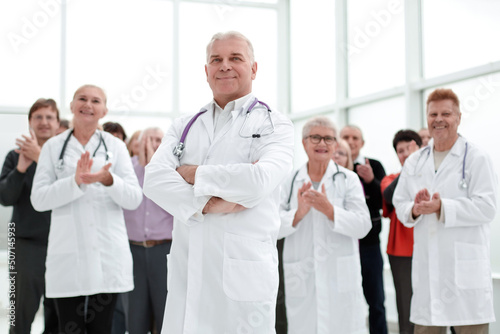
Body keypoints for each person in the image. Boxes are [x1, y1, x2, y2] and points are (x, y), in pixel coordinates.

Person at [143, 31, 294, 334]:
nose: (224, 65)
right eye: (216, 60)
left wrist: (193, 173)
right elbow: (154, 179)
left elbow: (259, 179)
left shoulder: (274, 123)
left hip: (243, 278)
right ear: (206, 71)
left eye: (235, 58)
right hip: (189, 273)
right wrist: (207, 203)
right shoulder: (184, 125)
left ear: (253, 68)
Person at [31, 85, 142, 333]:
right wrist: (74, 182)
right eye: (82, 99)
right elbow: (38, 200)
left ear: (104, 110)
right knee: (69, 328)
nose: (88, 105)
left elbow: (134, 198)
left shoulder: (116, 147)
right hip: (68, 258)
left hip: (107, 257)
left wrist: (109, 180)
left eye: (95, 100)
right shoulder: (53, 147)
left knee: (101, 329)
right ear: (71, 106)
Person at [393, 88, 498, 334]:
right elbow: (400, 204)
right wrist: (416, 209)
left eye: (446, 113)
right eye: (433, 114)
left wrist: (443, 206)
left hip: (466, 278)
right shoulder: (415, 161)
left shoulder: (476, 157)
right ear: (427, 119)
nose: (438, 119)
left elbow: (488, 207)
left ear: (458, 117)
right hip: (429, 277)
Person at [279, 116, 371, 333]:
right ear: (304, 143)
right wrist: (298, 214)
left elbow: (363, 225)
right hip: (302, 275)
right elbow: (270, 226)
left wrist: (329, 210)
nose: (322, 144)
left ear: (336, 145)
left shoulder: (348, 180)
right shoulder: (289, 181)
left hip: (340, 277)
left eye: (328, 139)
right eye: (315, 138)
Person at [0, 98, 59, 334]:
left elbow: (69, 190)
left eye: (49, 117)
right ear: (30, 123)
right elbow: (5, 198)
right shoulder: (15, 157)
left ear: (57, 123)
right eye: (38, 117)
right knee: (21, 313)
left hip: (60, 244)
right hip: (25, 244)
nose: (44, 122)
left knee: (57, 314)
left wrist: (39, 158)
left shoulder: (65, 158)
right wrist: (21, 169)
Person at [124, 127, 173, 333]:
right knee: (135, 317)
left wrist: (155, 167)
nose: (153, 144)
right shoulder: (127, 170)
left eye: (158, 140)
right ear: (139, 142)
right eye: (149, 139)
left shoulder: (171, 172)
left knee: (166, 312)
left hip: (164, 250)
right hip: (132, 251)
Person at [340, 125, 387, 334]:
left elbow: (384, 203)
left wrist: (371, 181)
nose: (351, 141)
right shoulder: (334, 168)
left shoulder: (373, 166)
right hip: (341, 244)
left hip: (369, 245)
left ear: (362, 142)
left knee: (376, 301)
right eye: (346, 137)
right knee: (344, 299)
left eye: (355, 138)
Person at [381, 130, 422, 334]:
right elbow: (389, 197)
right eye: (400, 151)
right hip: (401, 253)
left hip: (428, 247)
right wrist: (410, 166)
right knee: (406, 307)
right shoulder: (390, 179)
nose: (405, 154)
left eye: (409, 149)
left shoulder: (432, 176)